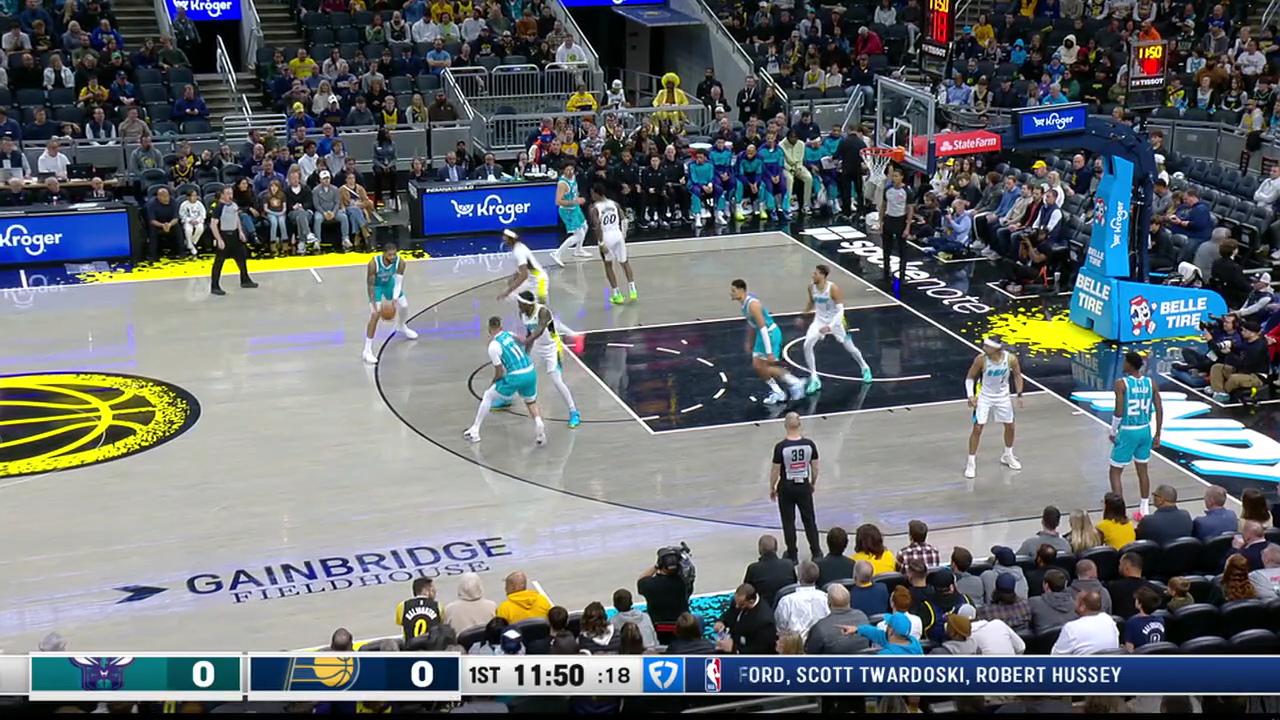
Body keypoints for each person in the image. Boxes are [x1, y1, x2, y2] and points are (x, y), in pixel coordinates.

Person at [464, 316, 547, 447]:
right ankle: (539, 424)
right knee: (530, 401)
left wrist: (493, 383)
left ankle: (475, 430)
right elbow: (523, 341)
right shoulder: (510, 334)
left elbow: (499, 372)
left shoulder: (493, 346)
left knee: (488, 395)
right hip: (530, 371)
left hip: (516, 375)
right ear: (501, 327)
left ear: (489, 329)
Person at [798, 263, 872, 394]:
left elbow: (840, 311)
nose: (812, 275)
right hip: (819, 321)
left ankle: (865, 367)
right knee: (807, 345)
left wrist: (830, 326)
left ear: (823, 275)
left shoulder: (833, 289)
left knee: (850, 348)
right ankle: (814, 378)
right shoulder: (811, 287)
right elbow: (811, 302)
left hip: (836, 321)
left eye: (815, 273)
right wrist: (803, 315)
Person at [731, 278, 805, 404]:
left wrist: (769, 352)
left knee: (762, 367)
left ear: (741, 290)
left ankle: (795, 383)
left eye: (733, 290)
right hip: (762, 335)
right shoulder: (744, 306)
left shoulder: (753, 305)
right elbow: (752, 325)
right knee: (757, 366)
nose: (731, 293)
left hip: (770, 334)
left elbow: (763, 327)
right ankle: (779, 391)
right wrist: (749, 341)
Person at [516, 290, 580, 429]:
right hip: (537, 347)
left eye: (520, 303)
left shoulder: (543, 312)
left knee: (556, 381)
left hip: (553, 347)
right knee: (522, 373)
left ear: (527, 304)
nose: (518, 306)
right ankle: (506, 399)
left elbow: (539, 331)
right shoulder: (522, 314)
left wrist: (526, 341)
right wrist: (526, 353)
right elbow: (529, 332)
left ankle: (573, 411)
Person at [1110, 352, 1163, 517]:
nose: (1123, 364)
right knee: (1143, 471)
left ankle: (1119, 512)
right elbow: (1159, 408)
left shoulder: (1121, 384)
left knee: (1115, 471)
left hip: (1128, 430)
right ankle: (1144, 510)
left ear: (1130, 365)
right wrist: (1158, 433)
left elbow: (1119, 411)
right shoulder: (1151, 383)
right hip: (1145, 430)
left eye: (1125, 361)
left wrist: (1113, 430)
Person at [964, 337, 1025, 478]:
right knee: (977, 428)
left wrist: (1019, 394)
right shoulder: (981, 359)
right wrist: (970, 395)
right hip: (984, 396)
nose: (984, 348)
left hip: (1002, 397)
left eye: (987, 346)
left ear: (997, 349)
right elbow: (970, 378)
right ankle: (971, 463)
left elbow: (1017, 376)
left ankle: (1008, 455)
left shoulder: (1010, 359)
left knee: (1010, 426)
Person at [770, 412, 821, 562]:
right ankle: (816, 551)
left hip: (786, 486)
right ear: (799, 424)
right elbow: (815, 468)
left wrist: (772, 487)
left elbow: (775, 470)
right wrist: (812, 483)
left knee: (788, 521)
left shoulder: (781, 447)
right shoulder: (809, 444)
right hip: (803, 485)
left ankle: (792, 554)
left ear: (785, 425)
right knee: (809, 519)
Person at [363, 243, 419, 364]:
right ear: (384, 254)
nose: (392, 257)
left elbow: (398, 283)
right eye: (390, 255)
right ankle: (367, 351)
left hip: (389, 284)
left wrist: (394, 299)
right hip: (376, 287)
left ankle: (401, 326)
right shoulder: (373, 264)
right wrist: (373, 302)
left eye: (394, 254)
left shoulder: (400, 262)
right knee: (375, 315)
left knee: (404, 305)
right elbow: (371, 285)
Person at [590, 185, 636, 304]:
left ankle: (617, 294)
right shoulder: (614, 204)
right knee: (625, 262)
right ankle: (633, 290)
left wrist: (601, 243)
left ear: (597, 194)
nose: (591, 196)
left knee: (608, 265)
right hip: (617, 234)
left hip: (606, 236)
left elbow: (597, 225)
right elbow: (624, 220)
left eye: (592, 193)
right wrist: (623, 235)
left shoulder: (595, 208)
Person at [209, 187, 257, 296]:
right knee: (219, 262)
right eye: (227, 193)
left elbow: (237, 219)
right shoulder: (219, 207)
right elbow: (213, 225)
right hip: (224, 235)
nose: (230, 196)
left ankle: (245, 279)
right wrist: (219, 239)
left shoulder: (234, 205)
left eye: (231, 193)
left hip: (234, 235)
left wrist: (240, 232)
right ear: (222, 195)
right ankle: (214, 285)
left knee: (241, 258)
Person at [549, 159, 589, 267]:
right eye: (567, 170)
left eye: (572, 169)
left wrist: (577, 199)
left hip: (575, 208)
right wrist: (575, 201)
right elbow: (558, 201)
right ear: (563, 171)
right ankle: (557, 253)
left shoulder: (574, 177)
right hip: (567, 211)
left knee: (585, 226)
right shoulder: (562, 184)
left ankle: (578, 250)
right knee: (578, 235)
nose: (570, 172)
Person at [396, 577, 443, 645]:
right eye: (433, 590)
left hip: (410, 648)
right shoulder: (438, 606)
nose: (435, 593)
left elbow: (400, 622)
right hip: (432, 648)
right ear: (425, 591)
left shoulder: (402, 606)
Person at [177, 187, 205, 257]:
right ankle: (191, 246)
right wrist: (189, 220)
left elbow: (203, 214)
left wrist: (198, 220)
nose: (195, 197)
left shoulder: (199, 204)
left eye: (196, 195)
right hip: (188, 221)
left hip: (197, 221)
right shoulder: (184, 205)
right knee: (188, 230)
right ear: (188, 197)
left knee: (200, 228)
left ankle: (191, 243)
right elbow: (181, 215)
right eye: (193, 196)